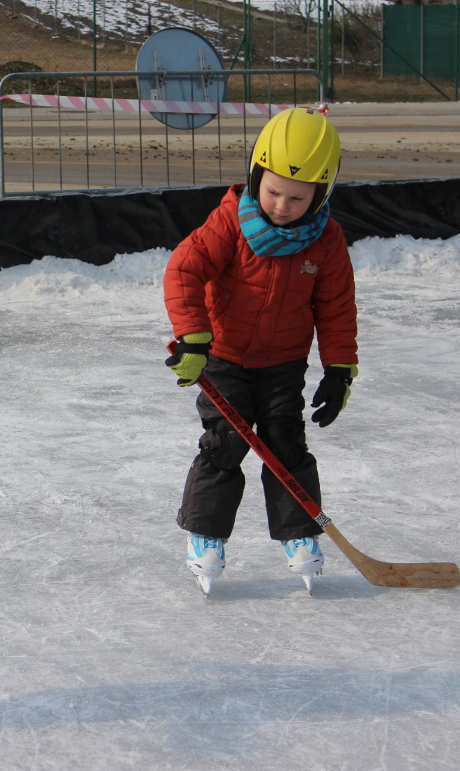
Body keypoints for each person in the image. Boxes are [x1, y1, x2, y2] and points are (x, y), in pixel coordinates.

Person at [163, 107, 358, 595]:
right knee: (225, 443)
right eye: (272, 191)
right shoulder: (230, 221)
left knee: (286, 444)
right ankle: (206, 535)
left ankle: (300, 536)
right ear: (255, 176)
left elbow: (336, 307)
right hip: (225, 357)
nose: (282, 205)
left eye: (298, 197)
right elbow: (184, 269)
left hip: (283, 364)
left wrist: (339, 370)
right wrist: (193, 337)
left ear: (322, 194)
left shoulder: (326, 240)